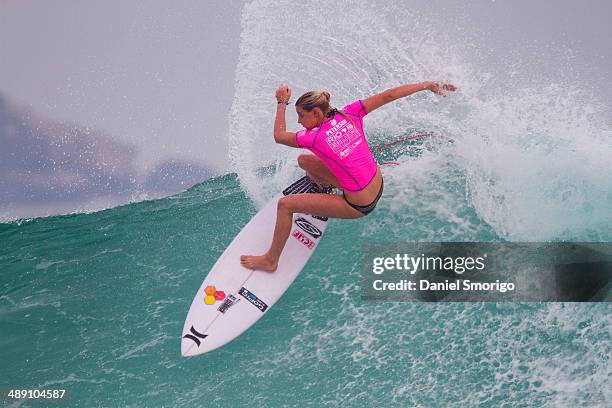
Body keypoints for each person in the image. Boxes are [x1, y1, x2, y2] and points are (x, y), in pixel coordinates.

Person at [240, 81, 457, 272]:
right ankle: (325, 190)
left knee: (285, 205)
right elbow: (389, 95)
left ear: (316, 113)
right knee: (304, 162)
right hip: (378, 183)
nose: (298, 122)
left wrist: (281, 102)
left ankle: (270, 260)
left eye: (301, 116)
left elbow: (279, 136)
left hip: (358, 204)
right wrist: (428, 85)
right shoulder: (350, 113)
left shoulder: (313, 137)